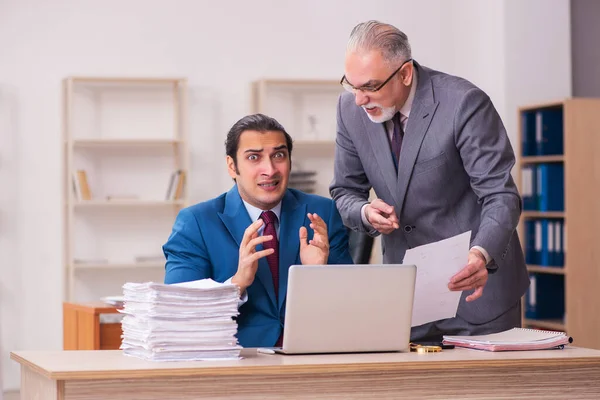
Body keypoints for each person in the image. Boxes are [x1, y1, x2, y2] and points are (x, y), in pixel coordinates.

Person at [329, 20, 529, 341]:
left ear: (405, 73)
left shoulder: (463, 103)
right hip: (409, 297)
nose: (359, 99)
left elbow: (500, 196)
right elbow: (344, 191)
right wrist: (366, 213)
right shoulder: (350, 111)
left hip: (476, 292)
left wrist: (481, 254)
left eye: (369, 87)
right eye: (351, 85)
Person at [164, 113, 353, 348]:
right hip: (236, 360)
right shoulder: (196, 222)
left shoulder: (322, 212)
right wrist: (237, 283)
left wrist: (317, 275)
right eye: (254, 157)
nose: (270, 169)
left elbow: (349, 306)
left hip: (311, 355)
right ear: (232, 166)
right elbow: (178, 311)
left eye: (279, 155)